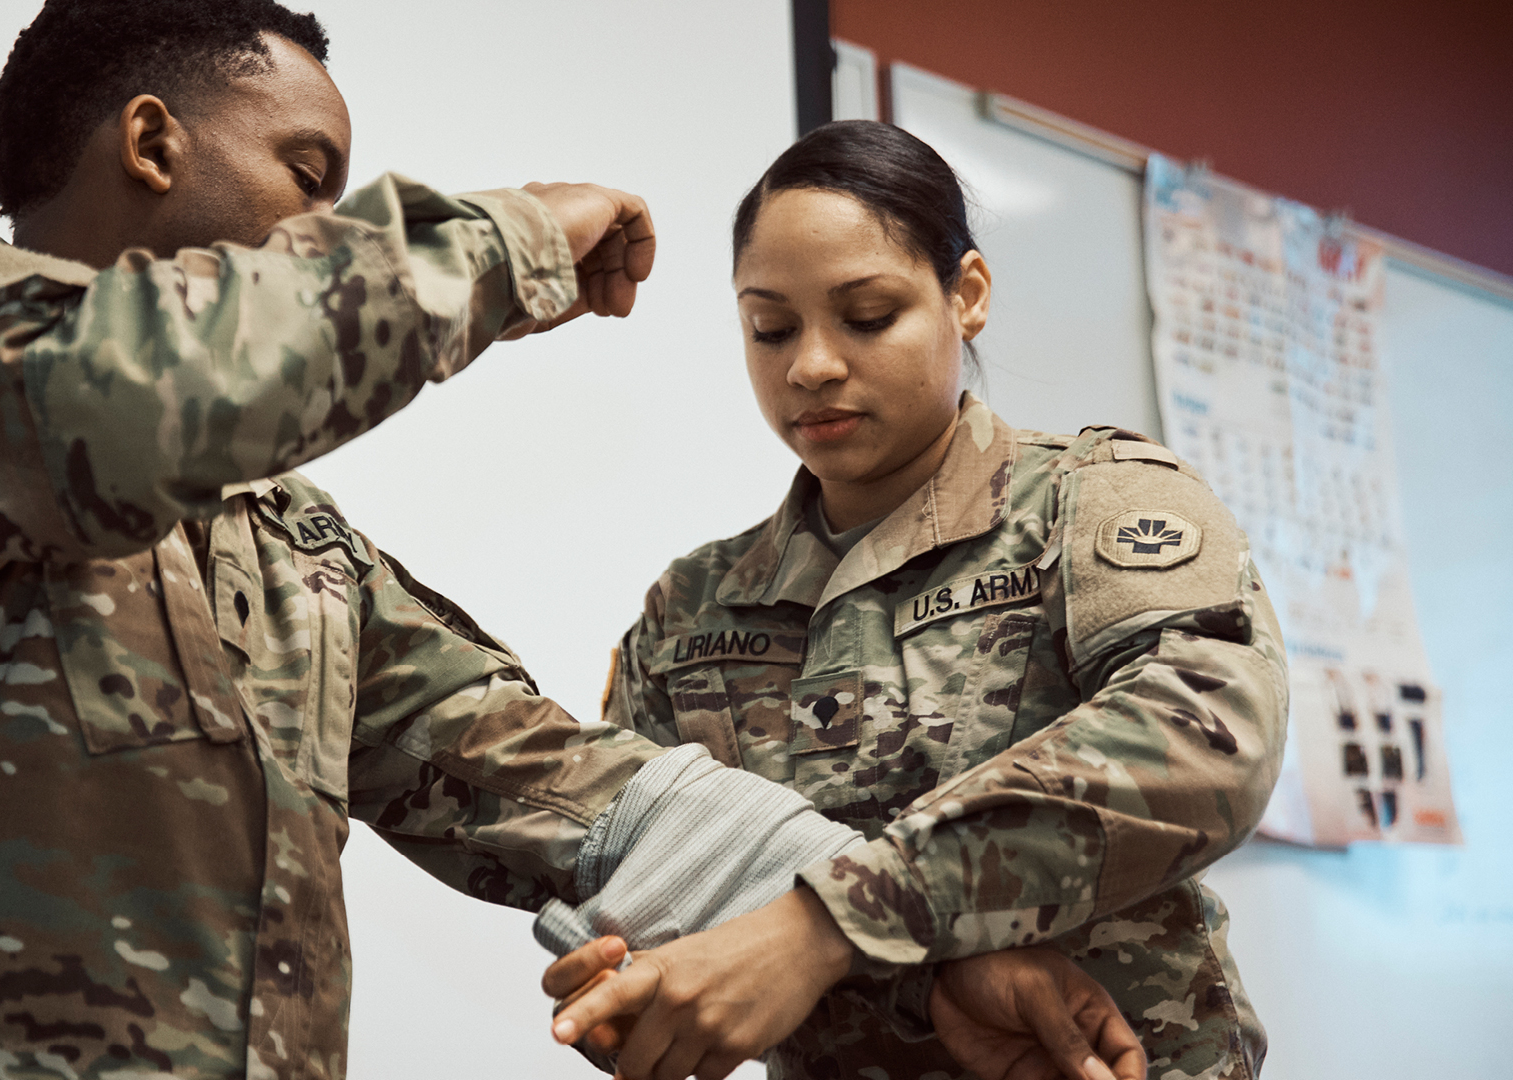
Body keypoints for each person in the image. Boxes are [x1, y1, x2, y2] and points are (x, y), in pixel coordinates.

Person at [0, 3, 1145, 1076]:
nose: (325, 215)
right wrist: (504, 238)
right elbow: (141, 390)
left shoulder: (281, 549)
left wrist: (930, 948)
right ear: (152, 142)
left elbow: (572, 792)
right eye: (309, 170)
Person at [547, 120, 1287, 1080]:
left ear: (965, 296)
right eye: (770, 328)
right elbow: (653, 869)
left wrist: (839, 916)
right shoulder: (691, 613)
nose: (809, 364)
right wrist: (636, 975)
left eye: (865, 315)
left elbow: (1205, 739)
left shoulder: (1092, 503)